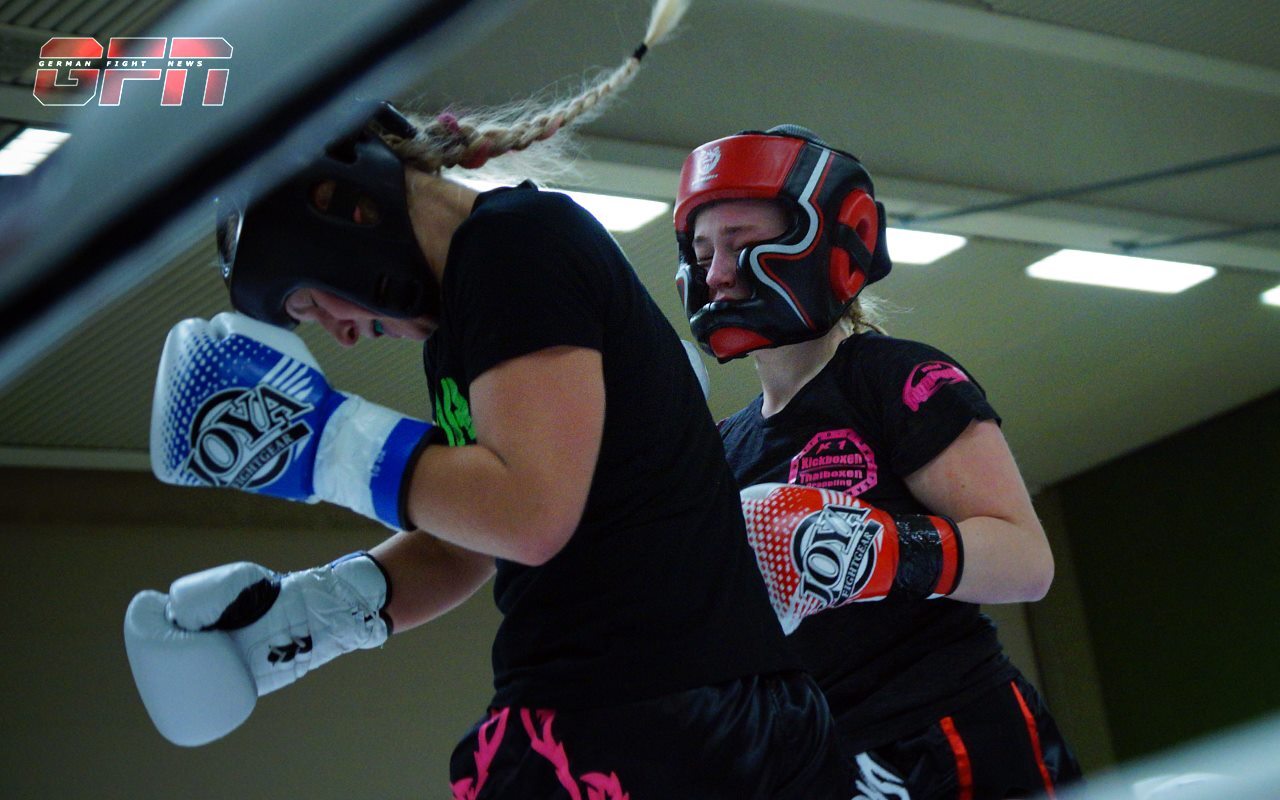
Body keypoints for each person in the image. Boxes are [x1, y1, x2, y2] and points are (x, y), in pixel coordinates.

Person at [122, 8, 852, 798]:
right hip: (692, 717)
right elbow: (472, 539)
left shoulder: (515, 247)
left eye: (308, 304)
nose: (340, 333)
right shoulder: (474, 308)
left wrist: (316, 440)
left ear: (342, 212)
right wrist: (300, 620)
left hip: (649, 712)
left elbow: (529, 512)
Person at [673, 125, 1083, 799]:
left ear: (830, 242)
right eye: (703, 249)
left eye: (743, 243)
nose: (717, 272)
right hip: (825, 764)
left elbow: (1027, 561)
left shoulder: (899, 378)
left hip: (951, 729)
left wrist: (876, 550)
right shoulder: (722, 448)